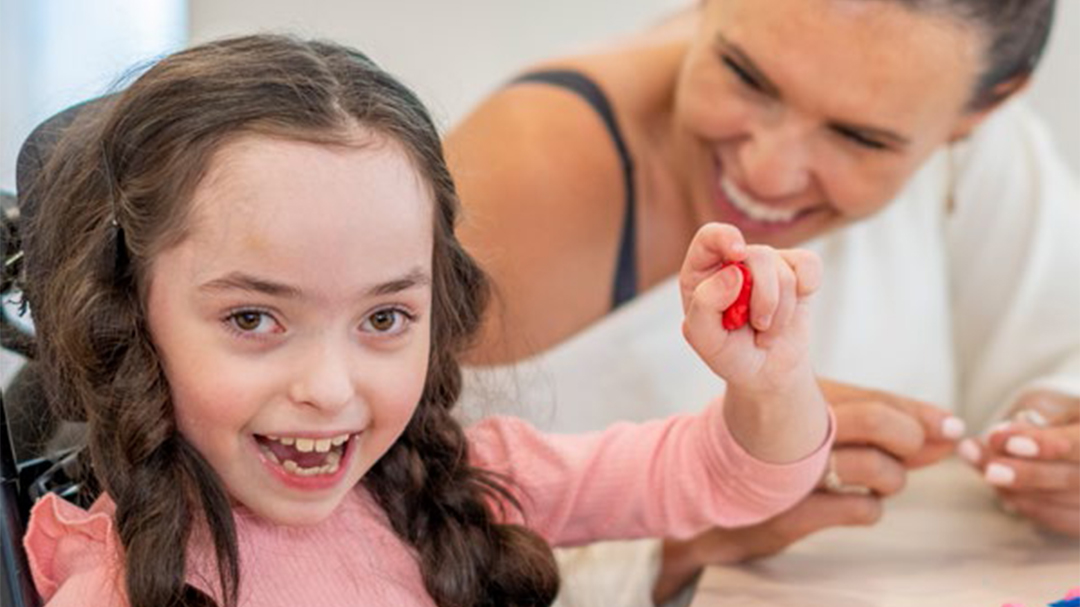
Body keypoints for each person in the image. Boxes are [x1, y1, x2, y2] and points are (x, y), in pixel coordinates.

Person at [16, 34, 835, 607]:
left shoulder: (457, 485)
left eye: (384, 316)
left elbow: (736, 475)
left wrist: (769, 382)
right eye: (254, 317)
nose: (331, 388)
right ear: (129, 315)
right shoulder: (115, 582)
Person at [446, 0, 1079, 602]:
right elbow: (380, 549)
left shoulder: (969, 137)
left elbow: (1063, 345)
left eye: (860, 138)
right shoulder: (515, 190)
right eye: (746, 75)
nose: (766, 172)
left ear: (979, 113)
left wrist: (1053, 439)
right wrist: (686, 526)